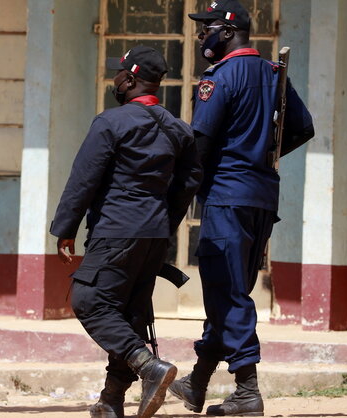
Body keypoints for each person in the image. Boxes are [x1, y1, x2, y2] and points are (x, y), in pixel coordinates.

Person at [168, 1, 315, 416]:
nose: (201, 37)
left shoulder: (219, 78)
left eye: (206, 29)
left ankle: (247, 390)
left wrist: (177, 199)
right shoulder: (273, 74)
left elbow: (200, 144)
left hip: (227, 198)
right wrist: (261, 153)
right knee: (227, 290)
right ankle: (197, 382)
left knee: (228, 292)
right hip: (262, 198)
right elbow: (303, 127)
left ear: (228, 32)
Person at [51, 46, 202, 418]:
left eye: (119, 74)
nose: (115, 80)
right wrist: (165, 225)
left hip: (116, 230)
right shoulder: (178, 129)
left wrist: (65, 228)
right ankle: (111, 400)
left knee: (89, 300)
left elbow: (84, 179)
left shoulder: (110, 122)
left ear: (131, 79)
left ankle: (149, 366)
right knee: (130, 314)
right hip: (153, 236)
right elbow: (190, 181)